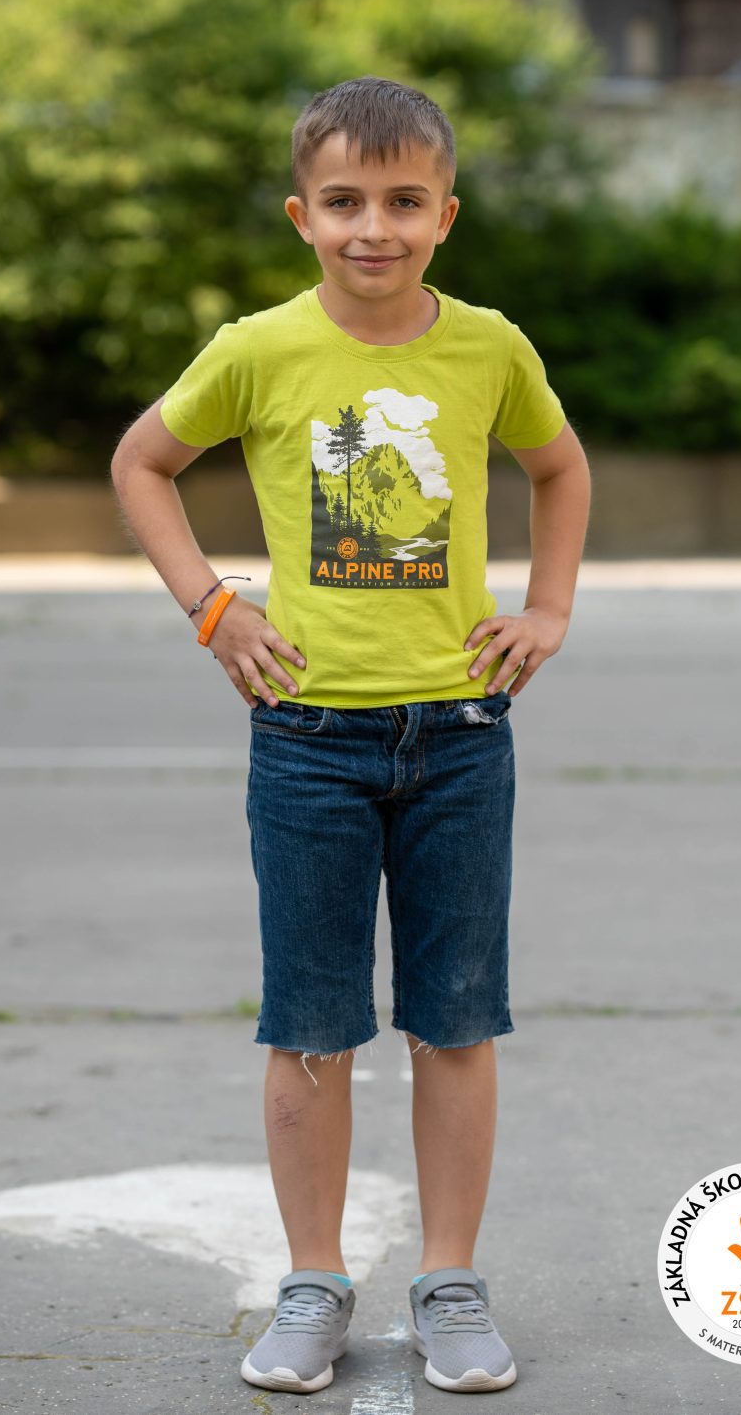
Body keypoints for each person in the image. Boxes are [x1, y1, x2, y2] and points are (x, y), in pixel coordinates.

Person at [110, 74, 591, 1396]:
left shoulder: (489, 348)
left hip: (460, 735)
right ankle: (313, 1282)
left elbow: (559, 466)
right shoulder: (258, 348)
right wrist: (214, 608)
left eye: (402, 201)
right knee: (313, 1021)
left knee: (456, 1019)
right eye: (343, 202)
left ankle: (450, 1281)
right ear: (301, 215)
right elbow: (142, 462)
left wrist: (548, 608)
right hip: (307, 737)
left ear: (446, 215)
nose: (373, 227)